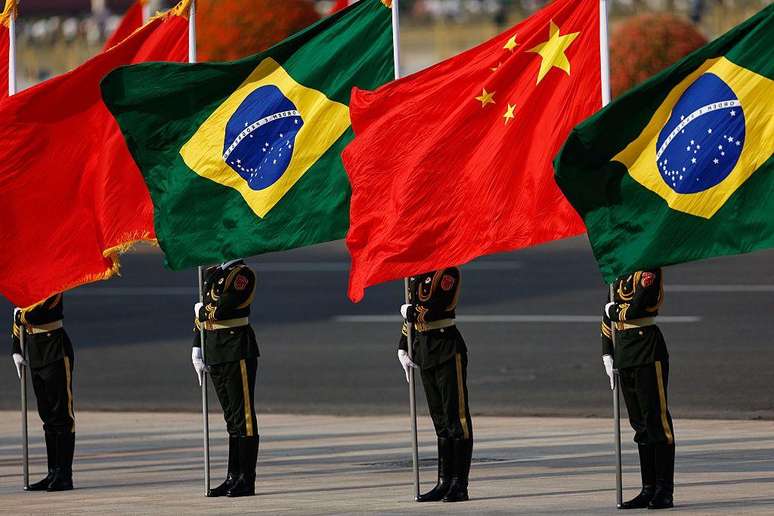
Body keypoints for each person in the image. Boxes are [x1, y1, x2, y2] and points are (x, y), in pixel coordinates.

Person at [601, 268, 675, 510]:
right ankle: (648, 488)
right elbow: (607, 313)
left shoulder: (649, 269)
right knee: (640, 425)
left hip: (646, 349)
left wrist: (612, 311)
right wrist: (607, 351)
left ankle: (664, 491)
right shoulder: (619, 270)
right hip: (624, 351)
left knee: (656, 422)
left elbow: (636, 309)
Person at [397, 267, 472, 503]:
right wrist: (403, 344)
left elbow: (436, 308)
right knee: (439, 419)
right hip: (425, 349)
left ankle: (459, 485)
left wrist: (411, 313)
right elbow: (411, 311)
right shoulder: (416, 272)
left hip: (446, 348)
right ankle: (444, 482)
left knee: (456, 418)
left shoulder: (448, 271)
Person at [191, 259, 260, 498]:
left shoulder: (242, 275)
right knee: (231, 418)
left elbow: (222, 308)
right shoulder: (212, 273)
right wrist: (197, 346)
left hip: (236, 348)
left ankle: (246, 480)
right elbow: (202, 317)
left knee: (243, 417)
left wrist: (201, 311)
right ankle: (233, 477)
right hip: (215, 349)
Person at [11, 294, 75, 492]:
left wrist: (20, 315)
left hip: (54, 348)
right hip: (35, 348)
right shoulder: (28, 286)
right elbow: (19, 315)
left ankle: (64, 475)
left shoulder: (54, 284)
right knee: (47, 415)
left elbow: (38, 312)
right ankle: (53, 472)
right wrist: (16, 348)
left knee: (61, 415)